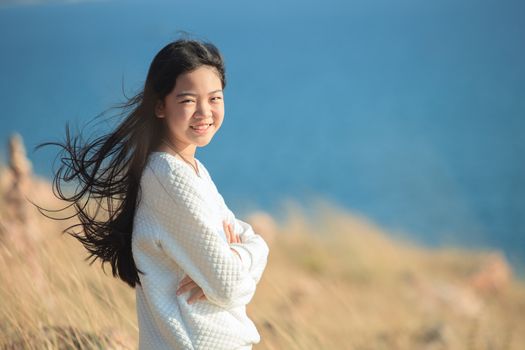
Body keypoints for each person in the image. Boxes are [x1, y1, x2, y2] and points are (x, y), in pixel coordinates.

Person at [37, 38, 270, 350]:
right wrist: (239, 257)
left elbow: (249, 245)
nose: (205, 111)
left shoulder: (191, 172)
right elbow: (229, 286)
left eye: (215, 98)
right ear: (160, 105)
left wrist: (241, 252)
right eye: (188, 100)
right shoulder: (168, 177)